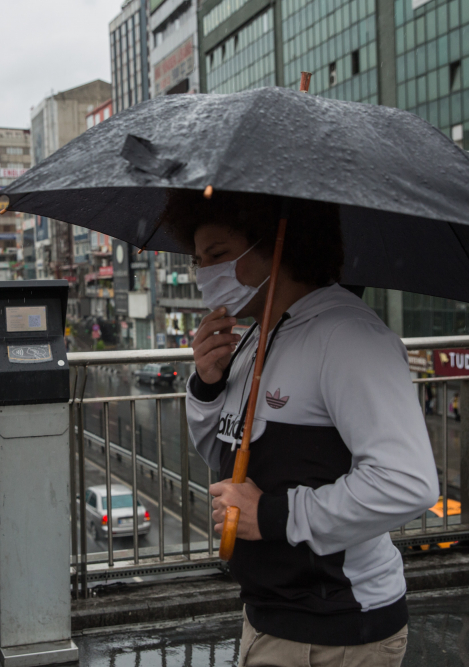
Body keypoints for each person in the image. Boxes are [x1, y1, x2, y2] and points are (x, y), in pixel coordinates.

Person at [170, 193, 439, 667]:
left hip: (337, 628)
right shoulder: (256, 336)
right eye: (197, 260)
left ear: (277, 243)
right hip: (270, 615)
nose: (203, 275)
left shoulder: (348, 336)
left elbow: (408, 482)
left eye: (217, 255)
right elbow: (222, 458)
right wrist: (208, 386)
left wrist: (273, 515)